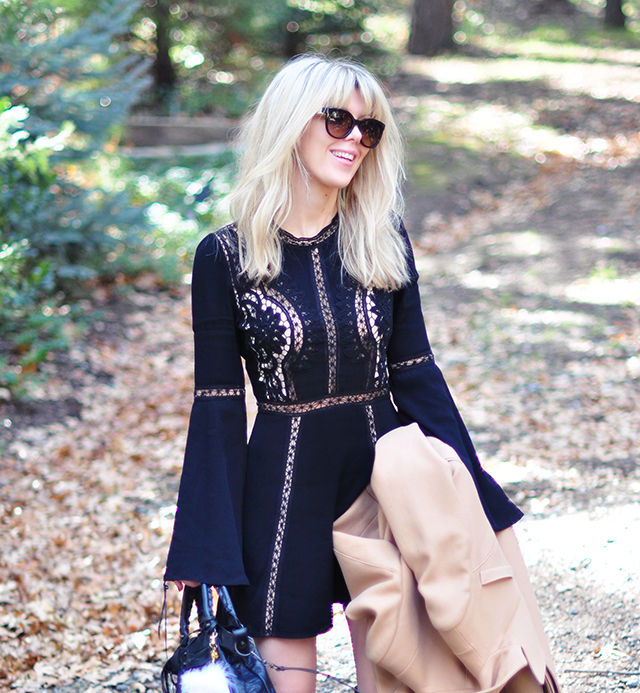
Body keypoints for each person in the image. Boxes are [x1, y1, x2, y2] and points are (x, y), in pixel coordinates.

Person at [164, 54, 552, 693]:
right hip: (283, 491)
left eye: (368, 130)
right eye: (338, 120)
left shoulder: (382, 238)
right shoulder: (225, 256)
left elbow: (417, 372)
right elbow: (216, 404)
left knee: (401, 678)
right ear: (291, 123)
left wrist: (472, 490)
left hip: (387, 485)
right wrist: (202, 546)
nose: (354, 141)